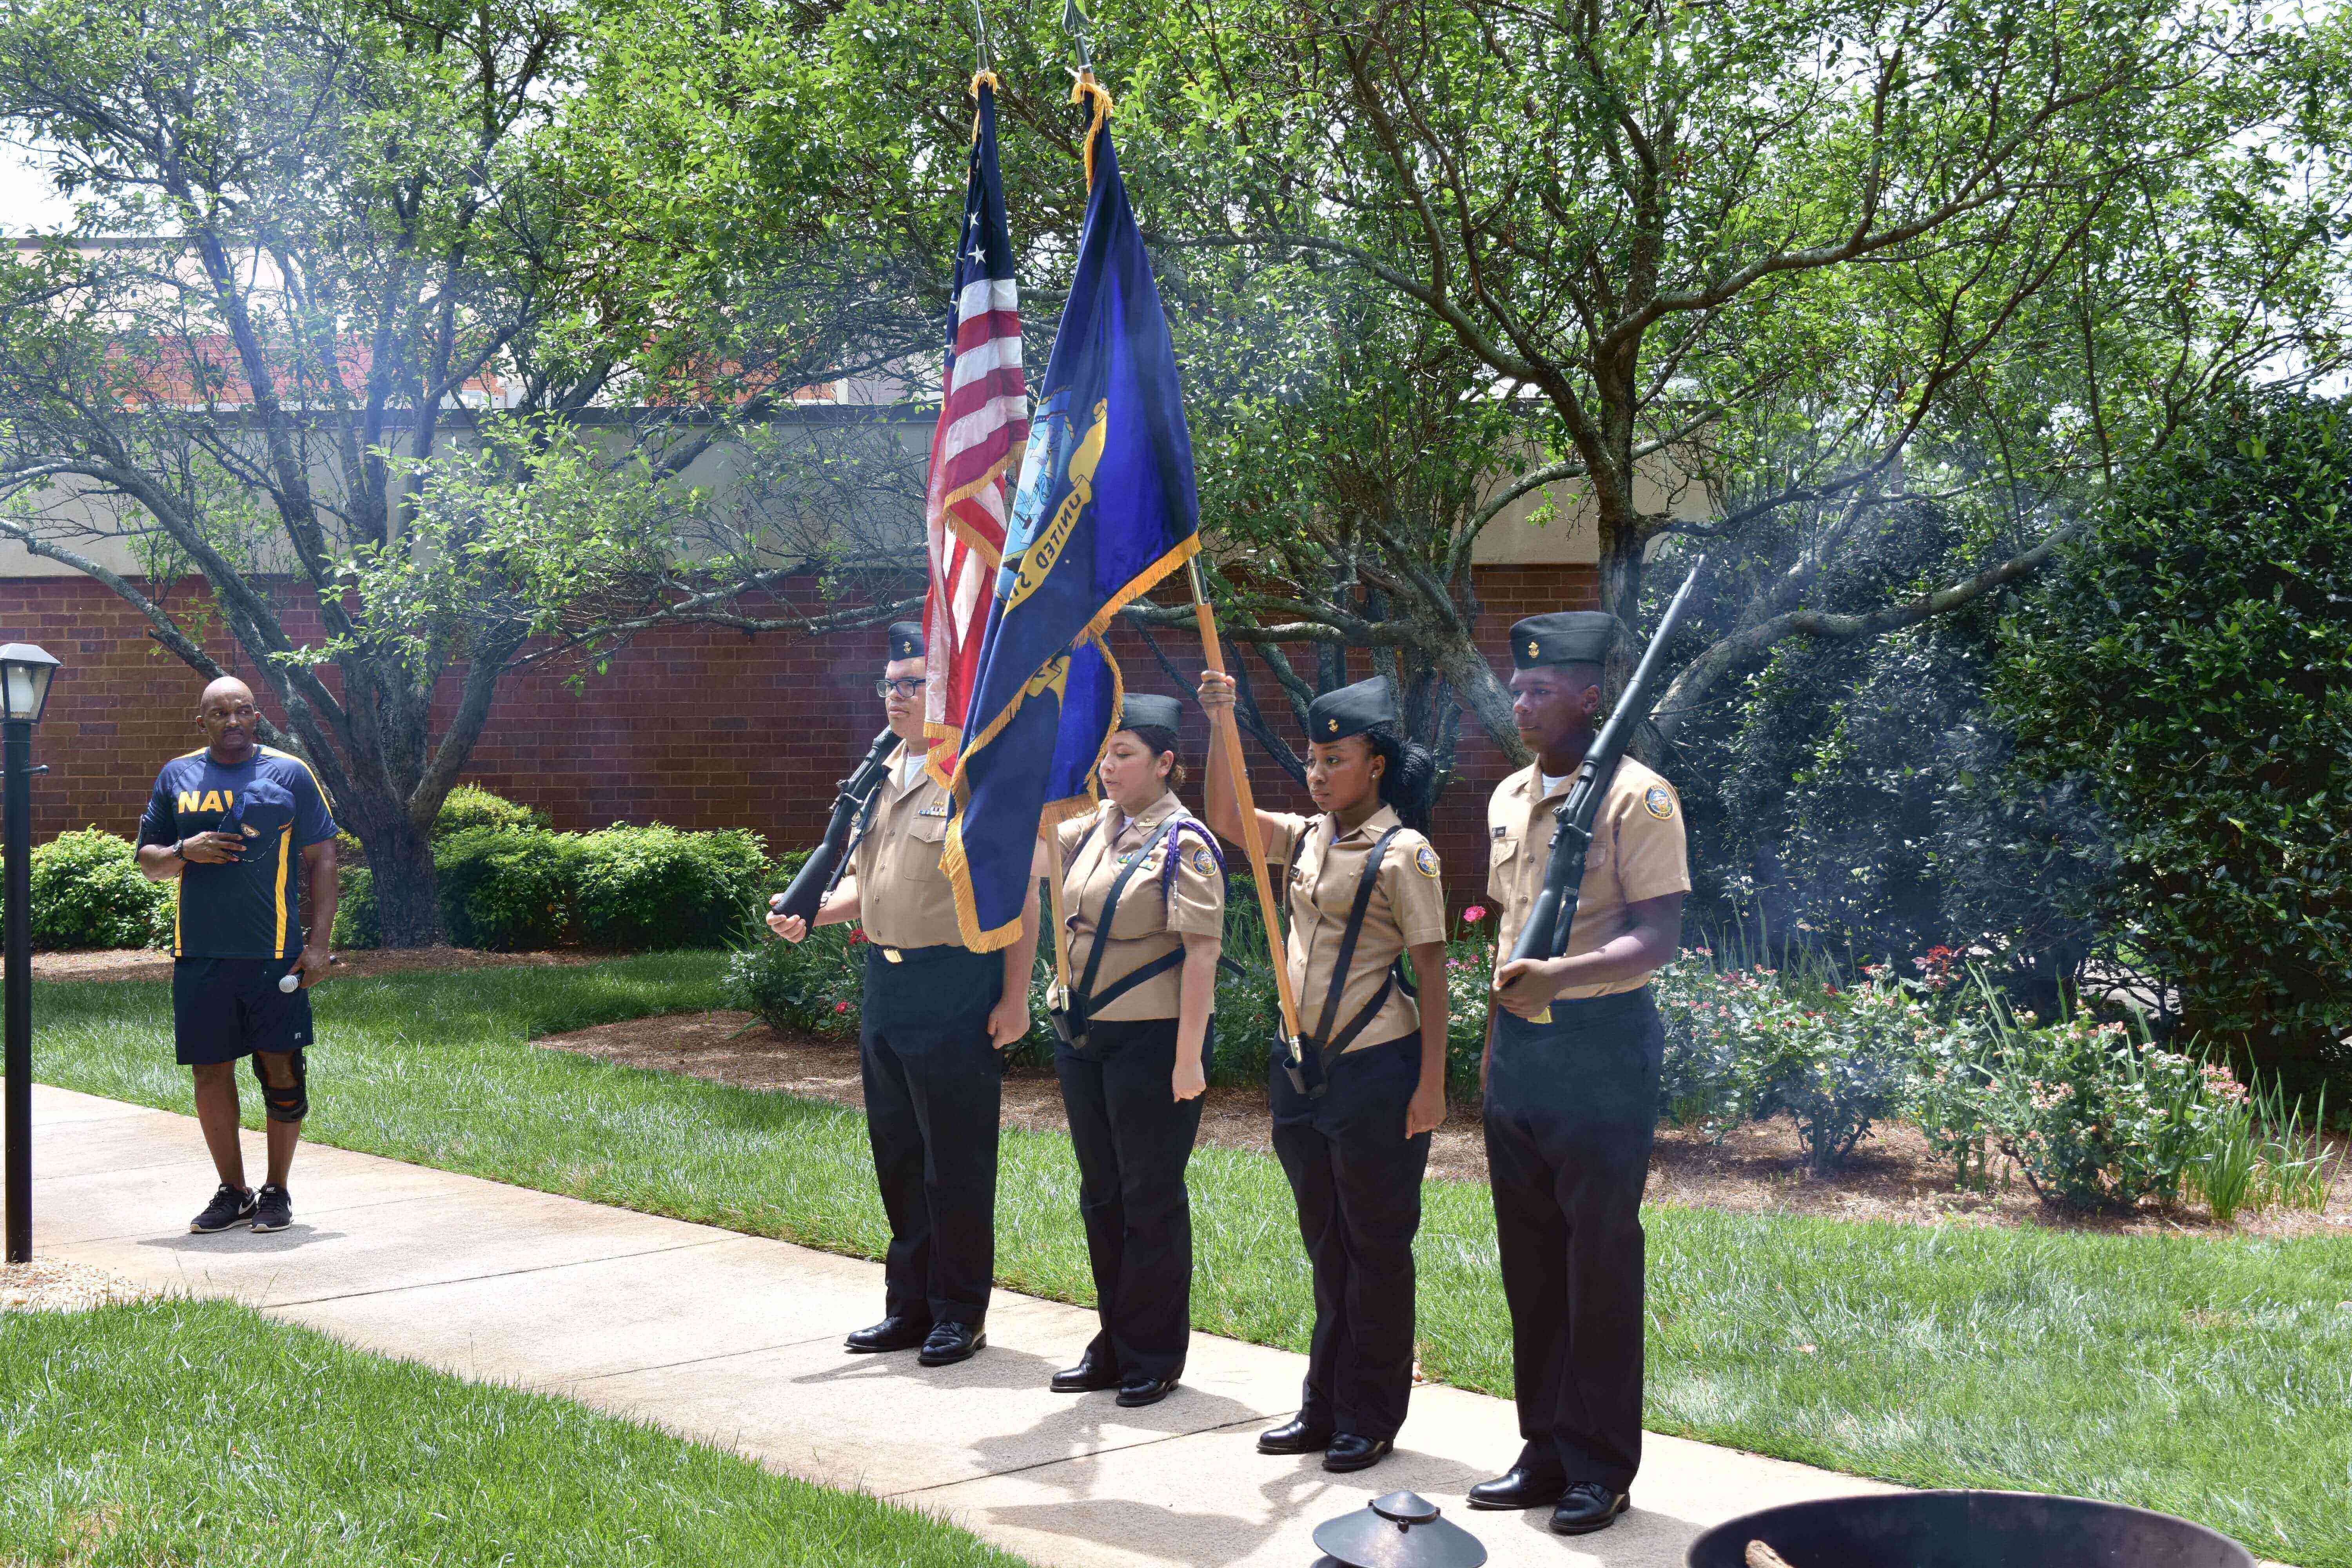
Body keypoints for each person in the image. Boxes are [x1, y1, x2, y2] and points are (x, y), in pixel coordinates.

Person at [1465, 612, 1688, 1536]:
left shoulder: (1641, 798)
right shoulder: (1510, 796)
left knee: (1597, 1259)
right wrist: (1492, 1055)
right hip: (1521, 1051)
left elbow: (1660, 931)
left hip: (1600, 1047)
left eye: (1541, 689)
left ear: (1590, 695)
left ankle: (1601, 1462)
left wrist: (1563, 974)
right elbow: (1507, 930)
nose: (1521, 702)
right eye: (1516, 688)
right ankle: (1546, 1446)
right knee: (1530, 1260)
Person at [1197, 670, 1448, 1475]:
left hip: (1378, 1066)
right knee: (1326, 1243)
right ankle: (1325, 1400)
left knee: (1375, 1245)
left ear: (1374, 763)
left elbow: (1433, 973)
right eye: (1310, 757)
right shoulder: (1307, 838)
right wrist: (1218, 721)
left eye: (1333, 758)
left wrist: (1433, 1082)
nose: (1316, 772)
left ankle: (1371, 1413)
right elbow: (1227, 815)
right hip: (1299, 1068)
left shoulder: (1405, 853)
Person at [768, 622, 1037, 1368]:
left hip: (955, 983)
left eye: (913, 683)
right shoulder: (883, 767)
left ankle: (961, 1312)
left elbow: (1018, 897)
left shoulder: (972, 774)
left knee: (956, 1158)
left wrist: (1015, 999)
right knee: (899, 1154)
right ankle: (909, 1308)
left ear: (945, 689)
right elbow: (871, 880)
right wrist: (811, 914)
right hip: (885, 985)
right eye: (889, 683)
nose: (897, 696)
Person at [1035, 693, 1224, 1409]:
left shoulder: (1185, 842)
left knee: (1150, 1196)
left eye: (1126, 755)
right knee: (1102, 1195)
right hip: (1086, 1039)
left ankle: (1154, 1352)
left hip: (1154, 1041)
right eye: (1106, 753)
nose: (1109, 767)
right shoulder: (1090, 829)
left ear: (1166, 763)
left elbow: (1202, 955)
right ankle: (1113, 1340)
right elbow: (1030, 847)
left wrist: (1188, 1059)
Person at [134, 676, 339, 1236]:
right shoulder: (177, 775)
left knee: (282, 1071)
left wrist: (318, 944)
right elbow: (149, 860)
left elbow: (323, 858)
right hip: (199, 954)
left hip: (274, 954)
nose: (232, 722)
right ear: (201, 721)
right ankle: (234, 1192)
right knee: (210, 1071)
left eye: (242, 711)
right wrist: (186, 850)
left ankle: (278, 1191)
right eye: (219, 713)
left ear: (257, 715)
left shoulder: (289, 772)